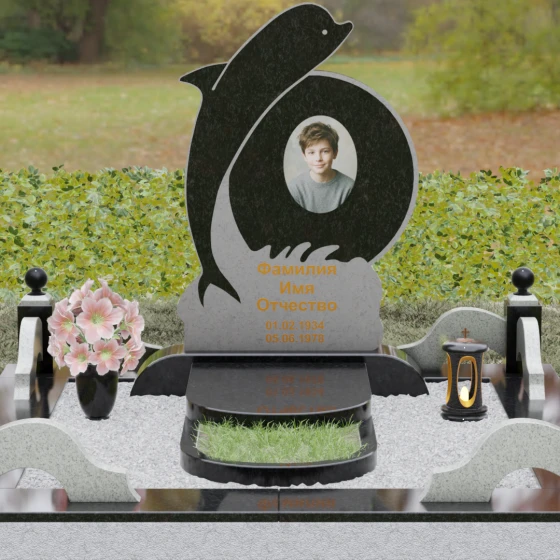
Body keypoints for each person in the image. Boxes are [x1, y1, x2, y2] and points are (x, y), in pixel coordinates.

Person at [287, 122, 355, 213]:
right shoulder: (294, 188)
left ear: (335, 153)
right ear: (304, 156)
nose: (318, 158)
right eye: (311, 152)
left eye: (325, 151)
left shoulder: (349, 188)